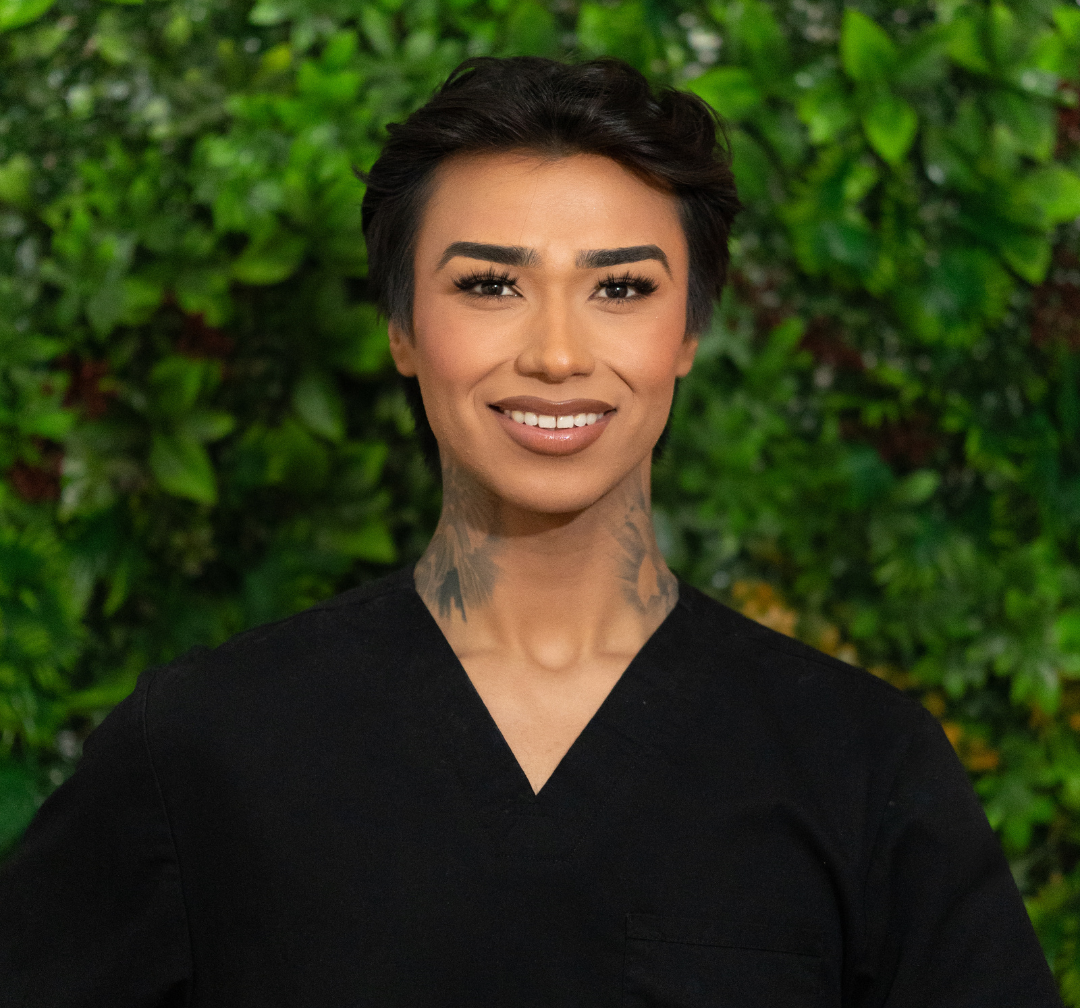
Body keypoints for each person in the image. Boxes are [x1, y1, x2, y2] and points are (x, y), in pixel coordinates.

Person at [0, 56, 1060, 1007]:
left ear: (689, 330)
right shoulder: (205, 747)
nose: (557, 354)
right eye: (490, 285)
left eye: (621, 287)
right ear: (404, 328)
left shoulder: (858, 762)